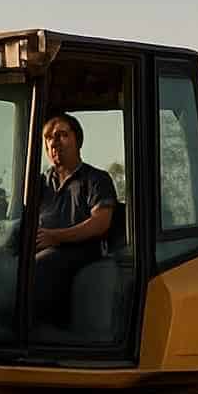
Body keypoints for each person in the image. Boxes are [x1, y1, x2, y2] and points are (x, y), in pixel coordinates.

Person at [32, 113, 117, 326]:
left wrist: (56, 237)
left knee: (39, 266)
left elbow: (100, 223)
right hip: (46, 245)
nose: (54, 143)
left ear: (78, 141)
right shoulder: (39, 183)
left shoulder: (96, 179)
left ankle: (40, 328)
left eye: (61, 135)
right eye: (48, 137)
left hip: (83, 250)